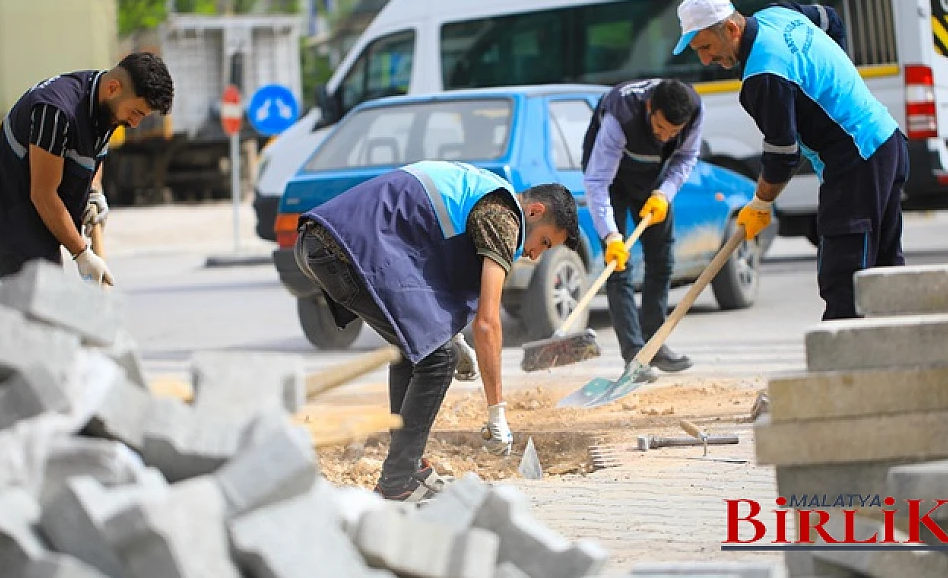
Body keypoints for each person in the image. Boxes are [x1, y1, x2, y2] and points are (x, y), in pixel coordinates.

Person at [295, 160, 580, 502]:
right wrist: (496, 412)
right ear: (534, 212)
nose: (535, 256)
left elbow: (428, 278)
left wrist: (454, 337)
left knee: (418, 351)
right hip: (341, 248)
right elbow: (488, 323)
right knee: (438, 357)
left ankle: (406, 470)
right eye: (545, 242)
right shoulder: (503, 217)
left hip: (328, 243)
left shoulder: (486, 193)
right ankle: (398, 481)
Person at [673, 0, 908, 320]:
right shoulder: (779, 14)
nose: (706, 60)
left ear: (731, 29)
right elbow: (831, 19)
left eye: (707, 48)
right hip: (887, 139)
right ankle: (895, 356)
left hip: (857, 158)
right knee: (885, 265)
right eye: (698, 52)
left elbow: (783, 154)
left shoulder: (764, 76)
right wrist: (838, 82)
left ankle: (840, 364)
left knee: (846, 276)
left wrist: (761, 203)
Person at [0, 52, 174, 284]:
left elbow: (94, 154)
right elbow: (43, 194)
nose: (135, 123)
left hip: (33, 211)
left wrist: (94, 192)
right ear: (114, 88)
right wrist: (82, 254)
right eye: (136, 113)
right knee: (44, 304)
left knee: (46, 306)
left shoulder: (106, 104)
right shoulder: (55, 112)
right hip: (2, 212)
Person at [582, 79, 703, 381]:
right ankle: (635, 357)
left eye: (672, 133)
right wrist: (611, 236)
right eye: (660, 128)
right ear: (650, 108)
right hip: (612, 182)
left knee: (662, 262)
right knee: (619, 268)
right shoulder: (619, 117)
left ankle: (655, 345)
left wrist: (665, 192)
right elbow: (597, 183)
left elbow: (686, 157)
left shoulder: (694, 111)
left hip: (654, 183)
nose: (664, 138)